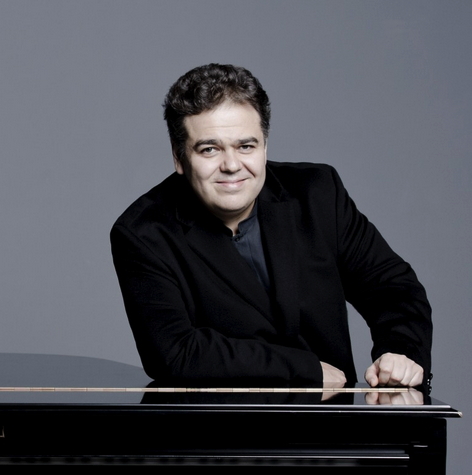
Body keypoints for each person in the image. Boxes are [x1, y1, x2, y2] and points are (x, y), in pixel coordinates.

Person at [111, 63, 432, 389]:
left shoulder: (318, 194)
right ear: (179, 158)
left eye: (246, 146)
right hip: (219, 421)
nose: (231, 165)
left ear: (265, 146)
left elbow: (393, 288)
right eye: (210, 149)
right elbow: (175, 352)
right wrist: (306, 371)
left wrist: (401, 352)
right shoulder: (142, 233)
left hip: (332, 419)